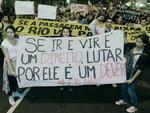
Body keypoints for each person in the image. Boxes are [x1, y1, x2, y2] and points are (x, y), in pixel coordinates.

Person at [115, 34, 149, 113]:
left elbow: (140, 69)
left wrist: (132, 79)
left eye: (139, 42)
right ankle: (124, 100)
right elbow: (126, 42)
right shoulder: (131, 47)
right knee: (123, 86)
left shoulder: (145, 55)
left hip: (135, 72)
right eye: (136, 41)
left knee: (130, 89)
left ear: (144, 44)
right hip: (126, 69)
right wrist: (123, 35)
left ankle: (134, 106)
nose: (137, 43)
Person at [0, 26, 23, 106]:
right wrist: (11, 69)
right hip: (9, 63)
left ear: (14, 32)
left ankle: (15, 92)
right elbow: (7, 57)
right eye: (8, 32)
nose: (9, 34)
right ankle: (10, 96)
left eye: (11, 32)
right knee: (8, 80)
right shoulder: (4, 42)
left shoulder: (18, 40)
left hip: (18, 62)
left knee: (15, 80)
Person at [59, 27, 73, 92]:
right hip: (61, 59)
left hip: (70, 59)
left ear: (69, 33)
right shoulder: (58, 40)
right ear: (62, 33)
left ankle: (69, 85)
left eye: (67, 32)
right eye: (64, 32)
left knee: (69, 72)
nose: (66, 33)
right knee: (62, 72)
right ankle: (63, 84)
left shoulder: (73, 40)